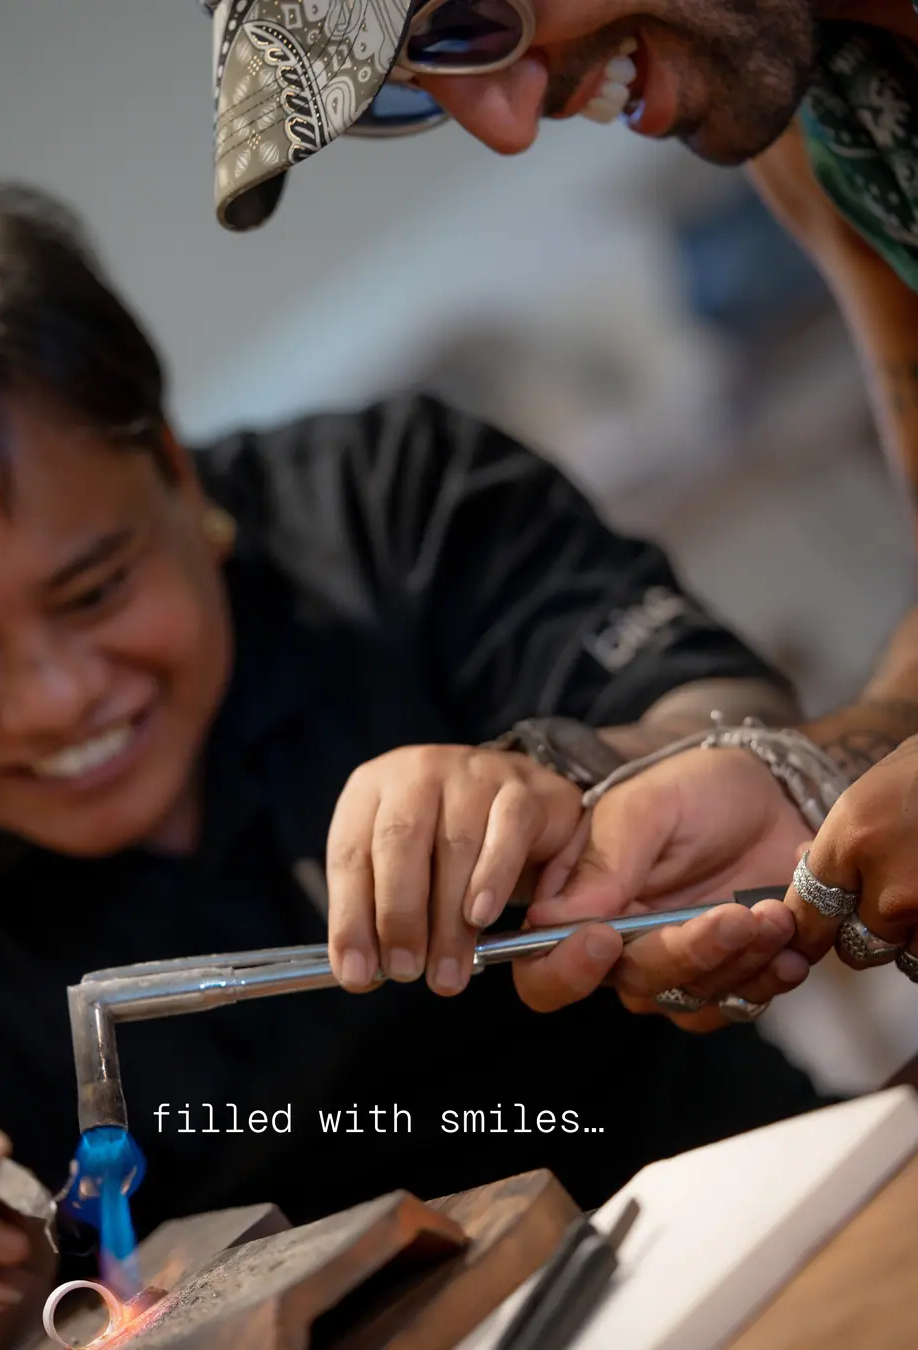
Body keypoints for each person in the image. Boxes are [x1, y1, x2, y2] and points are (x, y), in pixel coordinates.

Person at [0, 182, 831, 1350]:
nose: (56, 699)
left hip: (743, 1241)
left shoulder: (392, 503)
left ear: (176, 475)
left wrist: (576, 769)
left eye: (96, 591)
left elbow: (733, 724)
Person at [203, 0, 918, 1022]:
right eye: (412, 88)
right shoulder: (827, 127)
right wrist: (800, 780)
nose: (505, 129)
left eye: (467, 16)